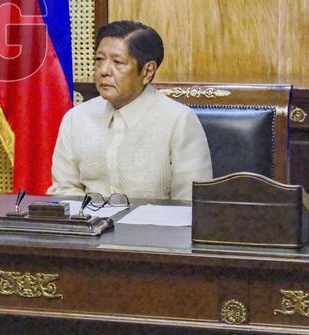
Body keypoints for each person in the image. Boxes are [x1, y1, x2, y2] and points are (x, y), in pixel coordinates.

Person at [48, 20, 213, 200]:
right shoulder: (76, 118)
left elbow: (190, 204)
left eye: (117, 62)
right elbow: (65, 191)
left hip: (156, 227)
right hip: (89, 226)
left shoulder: (179, 121)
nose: (103, 71)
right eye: (99, 59)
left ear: (147, 71)